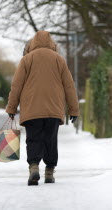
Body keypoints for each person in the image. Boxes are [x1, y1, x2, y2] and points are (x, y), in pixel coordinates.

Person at [6, 30, 80, 186]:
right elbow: (69, 87)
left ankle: (34, 167)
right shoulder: (59, 59)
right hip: (54, 110)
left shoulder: (26, 60)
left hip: (32, 109)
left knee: (33, 139)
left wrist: (11, 108)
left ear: (33, 43)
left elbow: (16, 86)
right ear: (52, 43)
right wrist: (73, 109)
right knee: (50, 140)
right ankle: (49, 172)